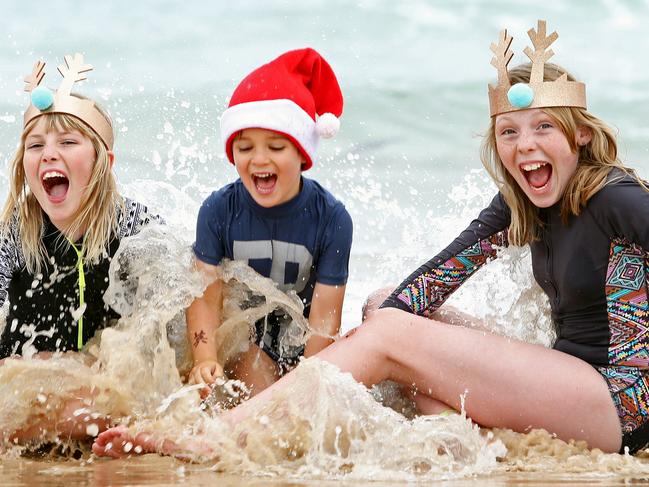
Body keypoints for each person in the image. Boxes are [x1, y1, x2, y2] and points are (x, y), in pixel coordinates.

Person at [93, 20, 645, 459]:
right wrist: (370, 338)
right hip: (576, 387)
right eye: (509, 131)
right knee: (385, 306)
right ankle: (475, 451)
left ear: (581, 134)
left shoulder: (614, 199)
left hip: (620, 402)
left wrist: (373, 347)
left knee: (391, 337)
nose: (525, 146)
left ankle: (217, 434)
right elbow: (433, 280)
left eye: (544, 127)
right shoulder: (522, 204)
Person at [0, 54, 161, 446]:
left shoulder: (135, 227)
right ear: (25, 164)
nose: (49, 154)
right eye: (36, 145)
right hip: (29, 384)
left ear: (104, 162)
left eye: (68, 142)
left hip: (99, 392)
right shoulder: (16, 235)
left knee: (94, 407)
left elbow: (166, 319)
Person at [187, 48, 353, 396]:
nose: (259, 159)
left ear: (302, 154)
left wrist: (307, 382)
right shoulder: (218, 211)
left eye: (276, 147)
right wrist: (204, 358)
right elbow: (206, 296)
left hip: (303, 341)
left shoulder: (332, 219)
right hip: (245, 338)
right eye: (245, 148)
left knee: (300, 402)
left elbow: (324, 318)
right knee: (256, 380)